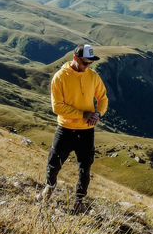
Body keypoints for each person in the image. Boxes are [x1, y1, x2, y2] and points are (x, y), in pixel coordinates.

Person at [38, 43, 108, 213]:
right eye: (85, 62)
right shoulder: (60, 77)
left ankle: (79, 201)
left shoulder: (93, 76)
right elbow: (57, 107)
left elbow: (103, 97)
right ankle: (49, 187)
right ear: (75, 58)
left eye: (90, 63)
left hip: (86, 131)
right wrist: (83, 115)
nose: (87, 66)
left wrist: (99, 114)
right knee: (54, 163)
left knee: (85, 167)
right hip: (66, 128)